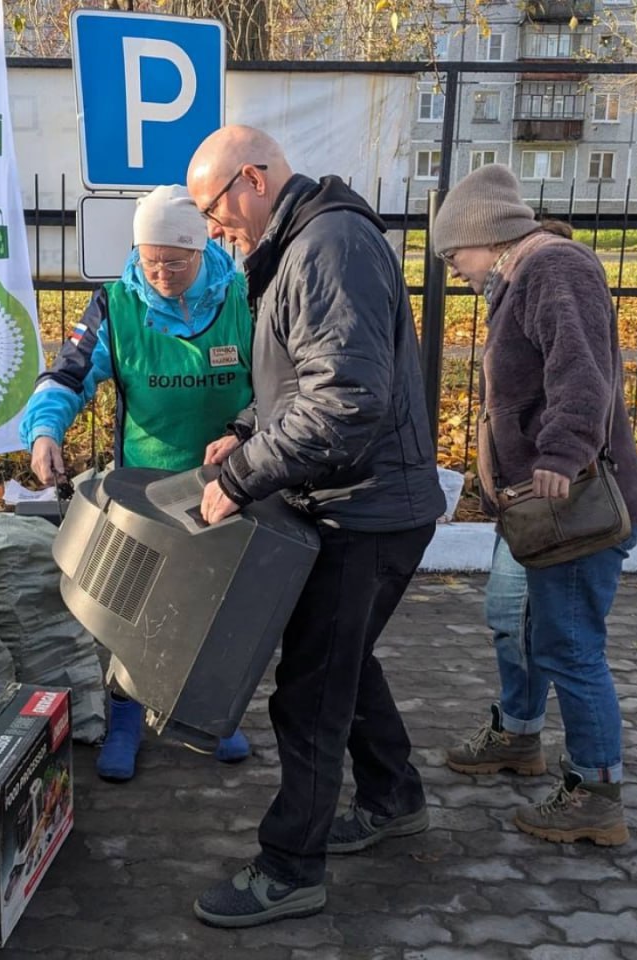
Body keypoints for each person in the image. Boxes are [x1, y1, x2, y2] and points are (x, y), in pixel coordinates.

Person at [185, 126, 447, 928]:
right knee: (345, 662)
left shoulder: (326, 245)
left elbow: (348, 403)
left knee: (308, 692)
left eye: (211, 208)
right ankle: (393, 799)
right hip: (356, 502)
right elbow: (305, 379)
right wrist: (247, 425)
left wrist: (243, 475)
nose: (211, 230)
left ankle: (291, 868)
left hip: (363, 510)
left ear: (252, 180)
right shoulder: (305, 241)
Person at [432, 163, 637, 847]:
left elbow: (581, 369)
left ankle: (595, 791)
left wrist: (563, 455)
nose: (454, 271)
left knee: (568, 645)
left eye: (454, 255)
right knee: (510, 616)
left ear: (485, 234)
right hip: (533, 508)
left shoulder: (553, 270)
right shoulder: (520, 278)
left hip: (573, 503)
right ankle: (518, 734)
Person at [19, 184, 254, 783]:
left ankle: (208, 714)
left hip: (228, 480)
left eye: (175, 262)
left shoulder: (245, 296)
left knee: (217, 605)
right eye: (150, 261)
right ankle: (127, 713)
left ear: (202, 251)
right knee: (135, 603)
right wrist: (45, 432)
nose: (162, 273)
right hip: (145, 484)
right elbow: (67, 375)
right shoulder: (115, 303)